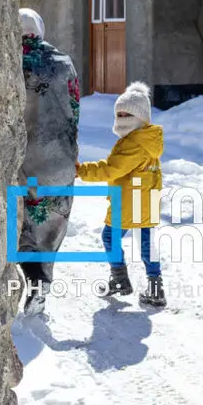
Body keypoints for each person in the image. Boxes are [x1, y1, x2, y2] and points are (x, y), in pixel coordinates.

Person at [76, 81, 166, 308]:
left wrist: (82, 171)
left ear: (142, 117)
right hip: (146, 198)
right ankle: (156, 289)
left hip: (129, 200)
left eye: (128, 114)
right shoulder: (148, 139)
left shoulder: (134, 144)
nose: (123, 118)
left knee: (110, 237)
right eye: (120, 114)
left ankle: (119, 279)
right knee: (146, 243)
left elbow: (111, 169)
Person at [17, 8, 81, 315]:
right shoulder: (64, 62)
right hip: (61, 160)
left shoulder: (11, 60)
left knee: (23, 226)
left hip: (26, 159)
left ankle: (31, 282)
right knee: (50, 225)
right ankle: (40, 282)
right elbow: (74, 109)